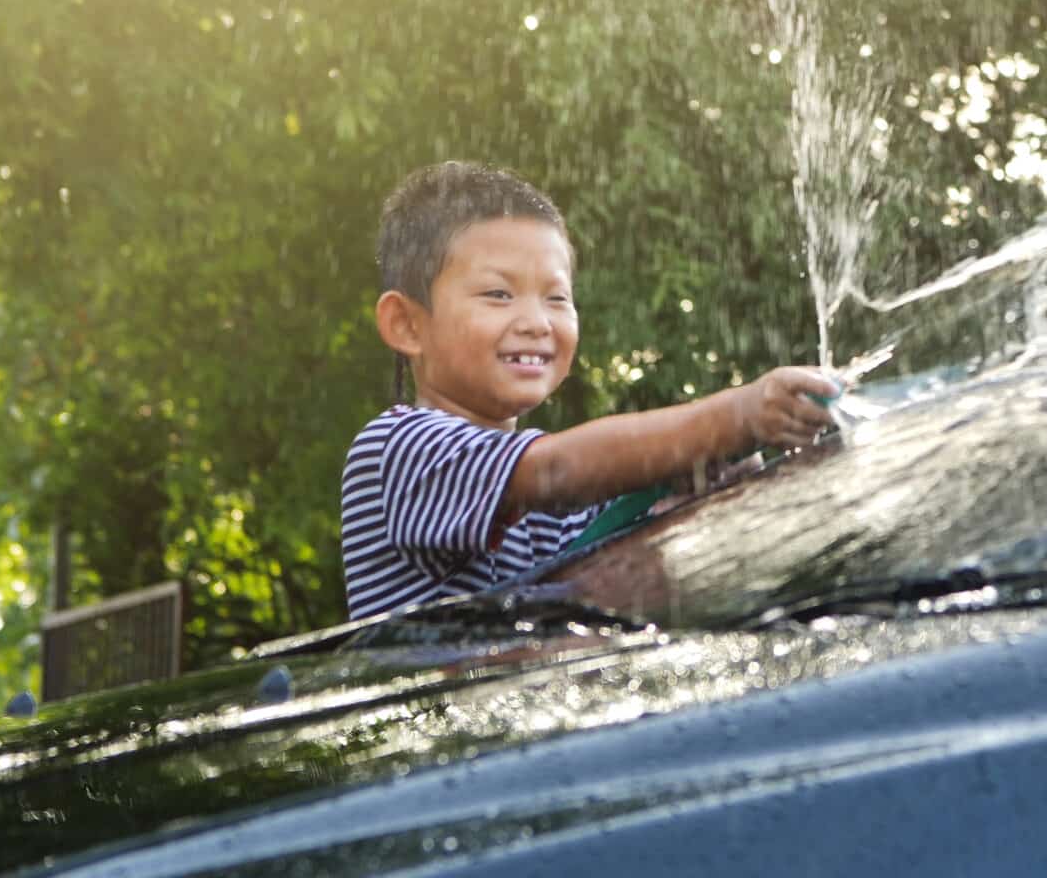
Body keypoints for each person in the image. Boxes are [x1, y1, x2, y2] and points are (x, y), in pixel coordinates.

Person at [341, 161, 839, 619]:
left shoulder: (573, 502)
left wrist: (696, 495)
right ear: (406, 324)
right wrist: (738, 416)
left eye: (557, 298)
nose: (536, 322)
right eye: (498, 294)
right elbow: (558, 470)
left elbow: (627, 594)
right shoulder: (399, 448)